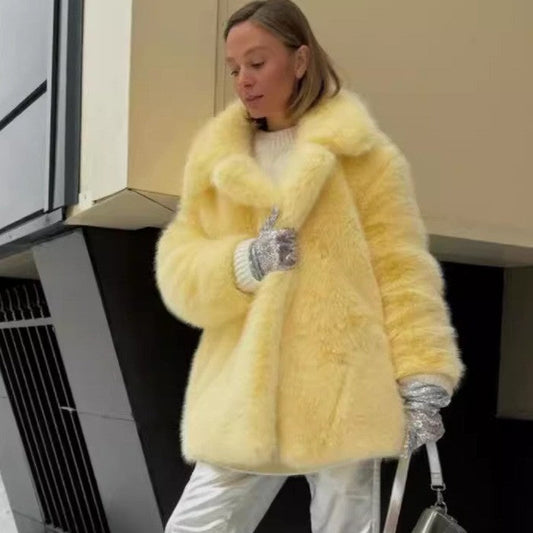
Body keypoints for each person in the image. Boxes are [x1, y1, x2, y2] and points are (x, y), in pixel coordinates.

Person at [155, 1, 465, 531]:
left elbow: (401, 269)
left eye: (257, 63)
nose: (243, 80)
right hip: (243, 389)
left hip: (341, 385)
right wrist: (244, 263)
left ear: (300, 60)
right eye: (234, 68)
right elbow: (177, 264)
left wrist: (422, 377)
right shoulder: (219, 159)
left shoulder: (364, 156)